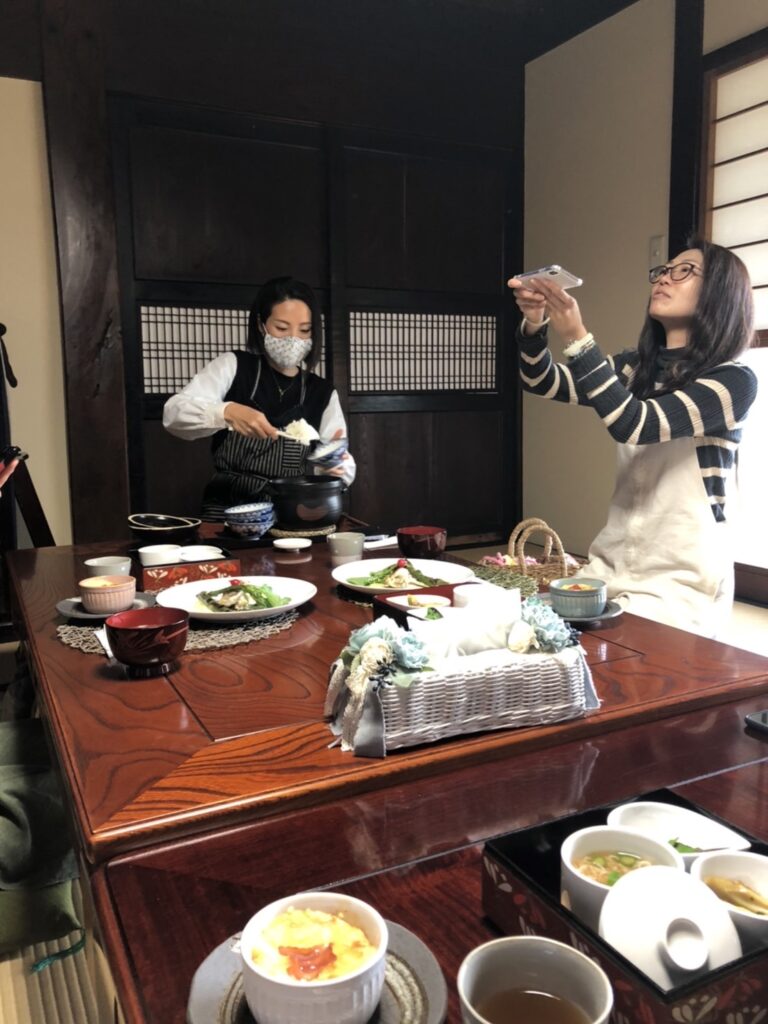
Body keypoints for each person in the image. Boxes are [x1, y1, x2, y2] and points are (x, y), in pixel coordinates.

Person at [508, 239, 758, 637]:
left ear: (720, 292)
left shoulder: (733, 381)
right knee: (525, 635)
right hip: (608, 565)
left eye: (684, 270)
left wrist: (576, 336)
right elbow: (542, 381)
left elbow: (635, 424)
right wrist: (535, 323)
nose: (664, 278)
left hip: (680, 582)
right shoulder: (635, 368)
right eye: (663, 270)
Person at [163, 277, 356, 518]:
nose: (293, 339)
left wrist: (336, 467)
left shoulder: (322, 393)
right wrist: (226, 412)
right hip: (225, 513)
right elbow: (174, 414)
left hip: (288, 514)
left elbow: (337, 464)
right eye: (282, 328)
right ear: (261, 324)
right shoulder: (234, 367)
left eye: (305, 330)